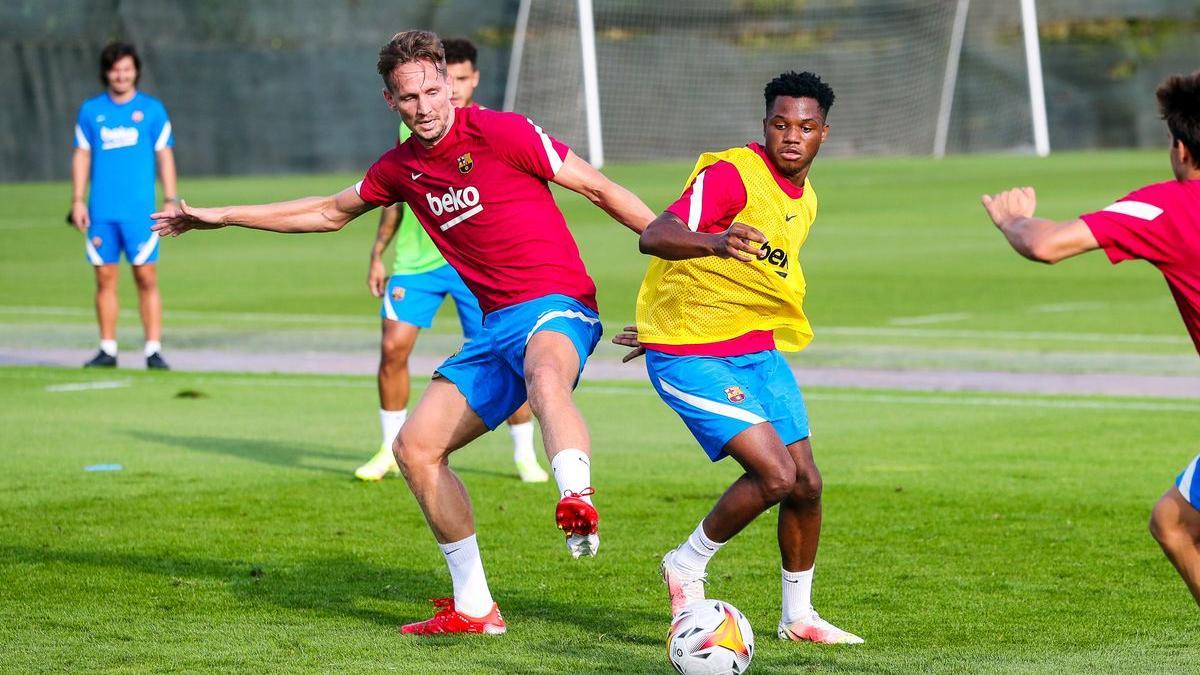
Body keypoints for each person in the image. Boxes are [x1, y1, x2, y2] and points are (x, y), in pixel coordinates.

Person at [152, 30, 656, 634]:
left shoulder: (503, 131)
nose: (424, 107)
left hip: (559, 304)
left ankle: (576, 495)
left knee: (545, 373)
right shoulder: (401, 168)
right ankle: (474, 606)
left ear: (449, 82)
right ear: (390, 101)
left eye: (431, 90)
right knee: (416, 451)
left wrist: (671, 241)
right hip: (496, 329)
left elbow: (598, 187)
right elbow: (327, 212)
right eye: (408, 98)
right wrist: (223, 217)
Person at [613, 71, 862, 644]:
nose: (791, 136)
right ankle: (686, 564)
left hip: (753, 347)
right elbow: (656, 234)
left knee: (806, 484)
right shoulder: (731, 175)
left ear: (824, 132)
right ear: (764, 126)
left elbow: (747, 283)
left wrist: (673, 312)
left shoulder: (808, 199)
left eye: (804, 126)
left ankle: (798, 618)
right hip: (692, 358)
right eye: (780, 124)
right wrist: (714, 242)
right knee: (774, 474)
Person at [981, 70, 1200, 606]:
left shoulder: (1167, 206)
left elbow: (1049, 244)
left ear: (1180, 148)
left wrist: (1014, 220)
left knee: (1174, 525)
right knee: (1174, 520)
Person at [356, 37, 546, 484]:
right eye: (410, 95)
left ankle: (525, 454)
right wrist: (378, 253)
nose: (428, 101)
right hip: (416, 262)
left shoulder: (489, 130)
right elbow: (390, 194)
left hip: (473, 266)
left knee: (511, 356)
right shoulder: (412, 129)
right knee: (391, 348)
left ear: (466, 80)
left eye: (456, 80)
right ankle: (389, 446)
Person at [71, 41, 177, 370]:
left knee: (146, 278)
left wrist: (171, 199)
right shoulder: (91, 111)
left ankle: (153, 350)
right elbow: (82, 154)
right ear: (107, 72)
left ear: (136, 72)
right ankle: (107, 349)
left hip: (140, 211)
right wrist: (77, 200)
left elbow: (164, 154)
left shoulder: (152, 110)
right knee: (104, 278)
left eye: (127, 69)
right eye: (116, 69)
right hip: (102, 210)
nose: (121, 75)